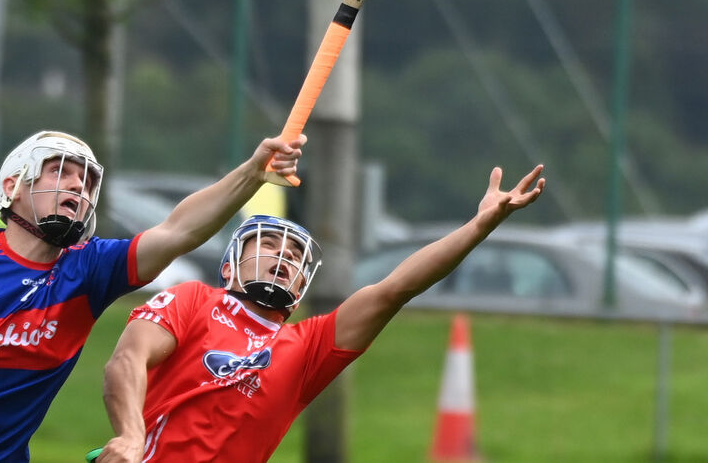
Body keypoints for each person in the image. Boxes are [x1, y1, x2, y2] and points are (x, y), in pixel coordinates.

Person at [0, 129, 306, 463]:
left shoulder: (88, 270)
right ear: (13, 187)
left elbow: (178, 230)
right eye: (60, 172)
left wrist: (252, 172)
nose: (78, 185)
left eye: (87, 179)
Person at [95, 164, 546, 463]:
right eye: (268, 245)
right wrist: (131, 436)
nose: (283, 257)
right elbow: (127, 360)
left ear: (301, 287)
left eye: (294, 255)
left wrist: (478, 226)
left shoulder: (307, 347)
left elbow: (396, 288)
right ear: (229, 266)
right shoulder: (193, 299)